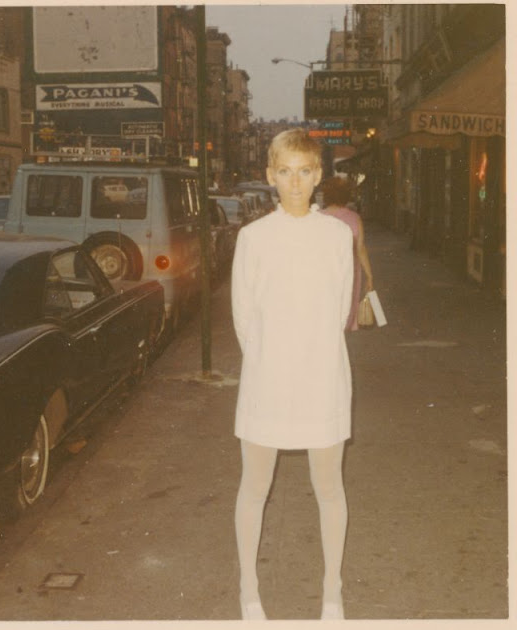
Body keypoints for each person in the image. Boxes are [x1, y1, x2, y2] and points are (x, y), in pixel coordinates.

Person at [231, 129, 354, 621]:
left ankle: (332, 591)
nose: (296, 183)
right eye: (285, 172)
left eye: (304, 171)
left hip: (322, 379)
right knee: (254, 486)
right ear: (270, 176)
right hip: (268, 382)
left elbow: (339, 310)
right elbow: (244, 318)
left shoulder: (338, 236)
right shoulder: (253, 238)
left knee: (330, 488)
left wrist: (308, 353)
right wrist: (273, 359)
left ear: (319, 175)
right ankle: (248, 589)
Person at [319, 176, 374, 331]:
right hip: (350, 272)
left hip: (324, 272)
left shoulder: (318, 217)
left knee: (326, 316)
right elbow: (360, 248)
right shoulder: (354, 218)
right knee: (345, 312)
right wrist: (369, 276)